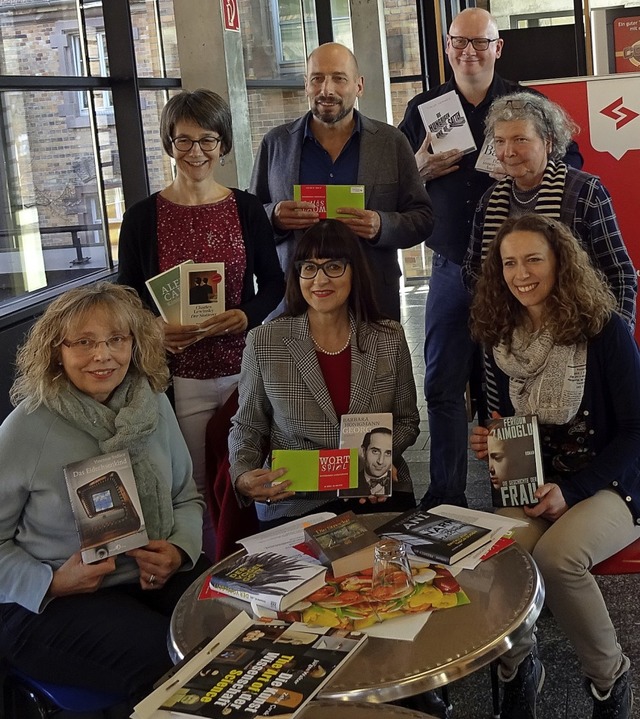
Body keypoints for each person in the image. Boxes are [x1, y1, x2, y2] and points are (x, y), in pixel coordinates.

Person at [398, 7, 583, 511]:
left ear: (498, 48)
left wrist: (527, 168)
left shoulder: (526, 103)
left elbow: (572, 166)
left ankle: (514, 492)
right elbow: (395, 187)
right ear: (447, 46)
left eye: (481, 42)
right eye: (460, 41)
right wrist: (420, 167)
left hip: (519, 273)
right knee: (441, 381)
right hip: (451, 267)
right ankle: (446, 495)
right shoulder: (423, 108)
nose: (469, 51)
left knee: (512, 383)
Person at [0, 282, 208, 715]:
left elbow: (186, 496)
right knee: (171, 662)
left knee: (242, 623)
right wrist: (53, 581)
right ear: (56, 350)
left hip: (149, 577)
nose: (103, 355)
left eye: (117, 339)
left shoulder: (152, 401)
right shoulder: (26, 427)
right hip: (49, 601)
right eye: (84, 342)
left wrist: (178, 549)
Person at [469, 214, 639, 719]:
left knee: (558, 557)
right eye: (509, 263)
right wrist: (489, 442)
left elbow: (636, 428)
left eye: (533, 259)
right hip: (535, 482)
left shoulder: (603, 329)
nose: (521, 274)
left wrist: (574, 489)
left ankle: (610, 679)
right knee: (497, 551)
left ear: (560, 262)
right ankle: (519, 666)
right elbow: (502, 422)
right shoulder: (497, 334)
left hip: (610, 480)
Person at [117, 89, 285, 559]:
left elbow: (273, 281)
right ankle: (211, 574)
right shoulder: (141, 218)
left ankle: (261, 563)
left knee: (250, 473)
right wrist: (151, 327)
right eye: (184, 141)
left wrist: (246, 314)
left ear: (223, 144)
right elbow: (125, 297)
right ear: (170, 144)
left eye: (207, 140)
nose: (196, 152)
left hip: (243, 369)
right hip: (181, 375)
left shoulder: (246, 208)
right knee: (194, 484)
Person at [229, 219, 420, 526]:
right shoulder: (266, 341)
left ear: (354, 270)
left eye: (333, 266)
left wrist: (377, 460)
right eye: (308, 267)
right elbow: (248, 425)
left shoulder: (389, 337)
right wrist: (242, 474)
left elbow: (407, 420)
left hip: (373, 490)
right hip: (296, 500)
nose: (319, 280)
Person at [249, 42, 433, 322]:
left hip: (371, 298)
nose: (327, 90)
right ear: (306, 85)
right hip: (296, 299)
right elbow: (249, 222)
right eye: (317, 79)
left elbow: (422, 218)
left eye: (339, 78)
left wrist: (381, 225)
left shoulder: (390, 143)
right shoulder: (275, 143)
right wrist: (273, 217)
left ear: (358, 86)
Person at [463, 90, 636, 332]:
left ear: (548, 143)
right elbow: (473, 271)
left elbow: (620, 276)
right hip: (510, 336)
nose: (508, 151)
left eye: (520, 139)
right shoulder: (489, 200)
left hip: (579, 332)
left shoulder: (586, 193)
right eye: (500, 141)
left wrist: (618, 339)